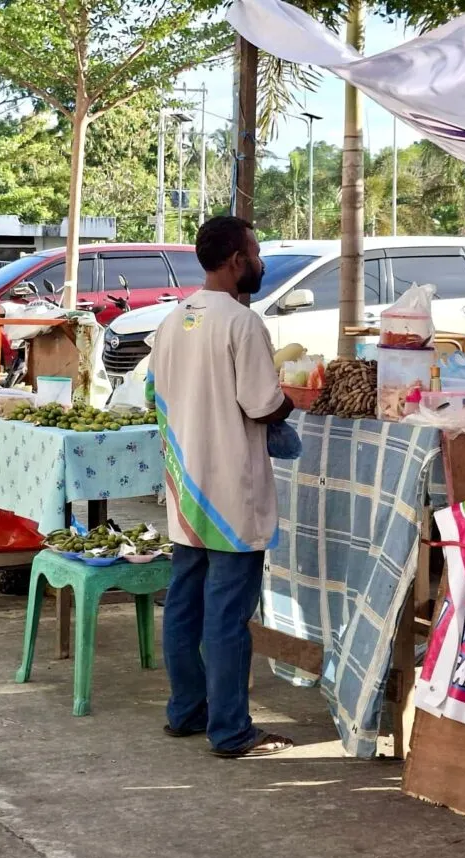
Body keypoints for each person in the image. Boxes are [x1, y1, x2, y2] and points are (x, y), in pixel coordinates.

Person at [147, 215, 296, 758]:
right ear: (237, 260)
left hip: (186, 485)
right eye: (255, 252)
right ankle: (231, 730)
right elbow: (261, 403)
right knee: (228, 615)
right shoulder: (241, 323)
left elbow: (156, 395)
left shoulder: (171, 321)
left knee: (185, 604)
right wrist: (291, 400)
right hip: (231, 489)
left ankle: (186, 710)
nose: (259, 261)